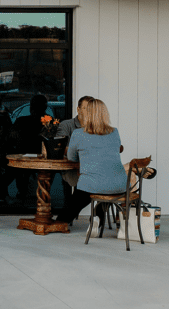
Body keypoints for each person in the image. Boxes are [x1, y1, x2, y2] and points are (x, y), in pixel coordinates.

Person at [54, 98, 127, 233]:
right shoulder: (114, 132)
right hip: (120, 185)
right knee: (101, 188)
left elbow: (71, 157)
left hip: (92, 185)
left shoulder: (79, 133)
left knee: (76, 202)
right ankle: (97, 219)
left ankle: (61, 221)